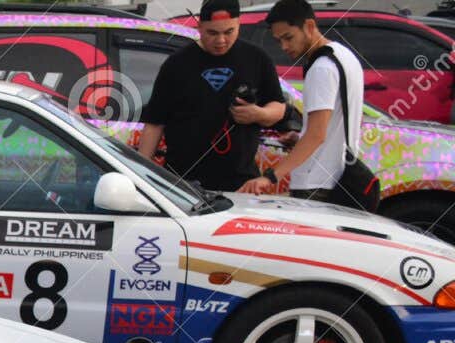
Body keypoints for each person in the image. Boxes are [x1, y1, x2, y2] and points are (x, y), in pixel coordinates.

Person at [137, 0, 287, 192]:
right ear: (199, 26)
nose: (221, 40)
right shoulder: (177, 64)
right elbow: (155, 123)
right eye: (212, 33)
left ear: (239, 24)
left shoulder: (257, 58)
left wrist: (259, 114)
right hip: (184, 183)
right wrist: (141, 175)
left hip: (241, 182)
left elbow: (278, 106)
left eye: (229, 32)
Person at [237, 0, 366, 202]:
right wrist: (299, 139)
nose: (284, 47)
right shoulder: (345, 56)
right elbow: (336, 124)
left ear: (309, 26)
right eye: (278, 40)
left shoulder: (321, 68)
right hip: (338, 176)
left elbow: (317, 135)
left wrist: (270, 177)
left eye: (289, 37)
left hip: (315, 182)